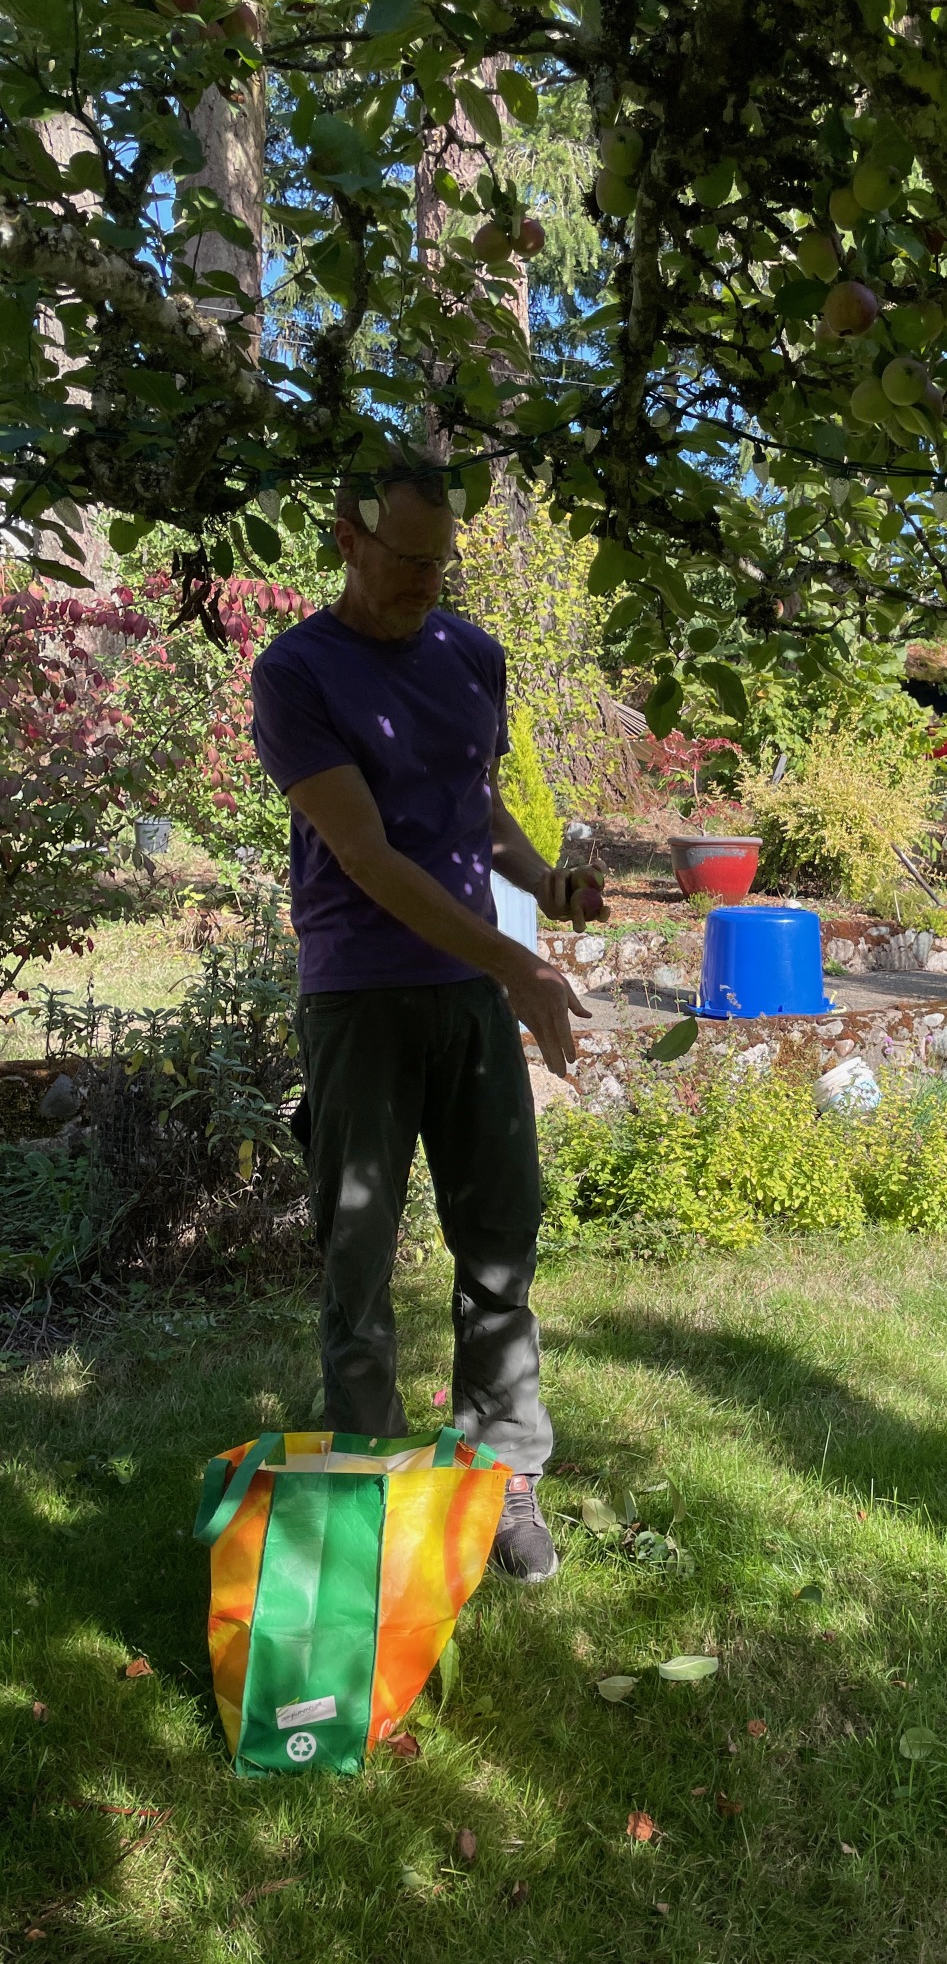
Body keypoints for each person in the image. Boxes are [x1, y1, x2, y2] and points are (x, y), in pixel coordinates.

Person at [249, 459, 604, 1582]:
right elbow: (366, 855)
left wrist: (546, 886)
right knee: (358, 1256)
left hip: (466, 989)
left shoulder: (470, 655)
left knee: (500, 1238)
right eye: (406, 560)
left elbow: (472, 806)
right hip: (360, 992)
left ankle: (505, 1483)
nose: (425, 583)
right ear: (346, 540)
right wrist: (520, 967)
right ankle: (359, 1496)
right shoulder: (297, 672)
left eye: (441, 562)